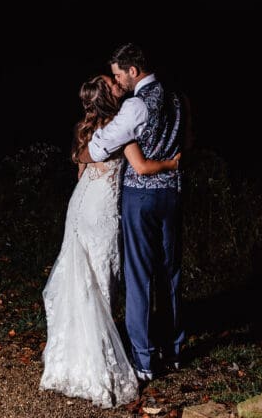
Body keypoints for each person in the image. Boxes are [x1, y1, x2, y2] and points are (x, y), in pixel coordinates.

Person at [39, 74, 180, 408]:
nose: (119, 86)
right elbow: (141, 167)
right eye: (113, 84)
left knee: (79, 275)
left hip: (80, 203)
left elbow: (79, 168)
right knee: (101, 280)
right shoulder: (119, 129)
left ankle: (70, 350)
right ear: (108, 96)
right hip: (102, 209)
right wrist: (172, 163)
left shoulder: (83, 129)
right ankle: (98, 356)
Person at [86, 43, 188, 383]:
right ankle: (173, 350)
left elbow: (98, 146)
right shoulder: (177, 98)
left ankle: (144, 359)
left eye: (119, 74)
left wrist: (97, 140)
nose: (118, 81)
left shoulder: (135, 106)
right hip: (171, 194)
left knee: (140, 275)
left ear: (134, 70)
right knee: (170, 273)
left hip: (140, 198)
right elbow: (189, 141)